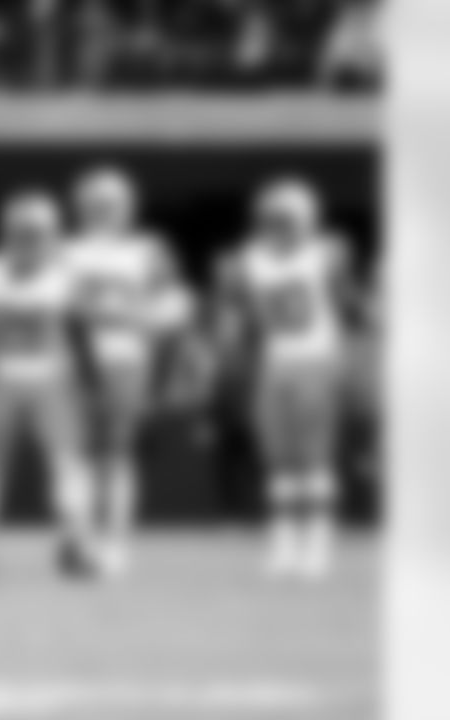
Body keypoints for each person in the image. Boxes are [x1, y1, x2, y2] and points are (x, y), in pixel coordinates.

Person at [216, 178, 359, 580]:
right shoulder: (248, 260)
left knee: (312, 457)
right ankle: (284, 540)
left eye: (289, 220)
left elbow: (348, 304)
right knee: (279, 459)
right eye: (273, 220)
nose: (281, 228)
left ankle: (316, 541)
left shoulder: (328, 253)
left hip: (316, 359)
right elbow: (236, 314)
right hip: (275, 363)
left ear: (307, 221)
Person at [0, 191, 97, 577]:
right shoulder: (65, 275)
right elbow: (80, 334)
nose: (30, 243)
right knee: (61, 465)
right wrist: (89, 381)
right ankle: (73, 544)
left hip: (12, 375)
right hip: (42, 375)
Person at [66, 166, 187, 576]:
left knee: (116, 455)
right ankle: (82, 539)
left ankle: (113, 542)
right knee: (83, 456)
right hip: (77, 357)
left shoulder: (149, 250)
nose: (103, 211)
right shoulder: (68, 251)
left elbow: (174, 311)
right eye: (96, 204)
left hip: (126, 356)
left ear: (127, 207)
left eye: (111, 204)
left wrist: (137, 320)